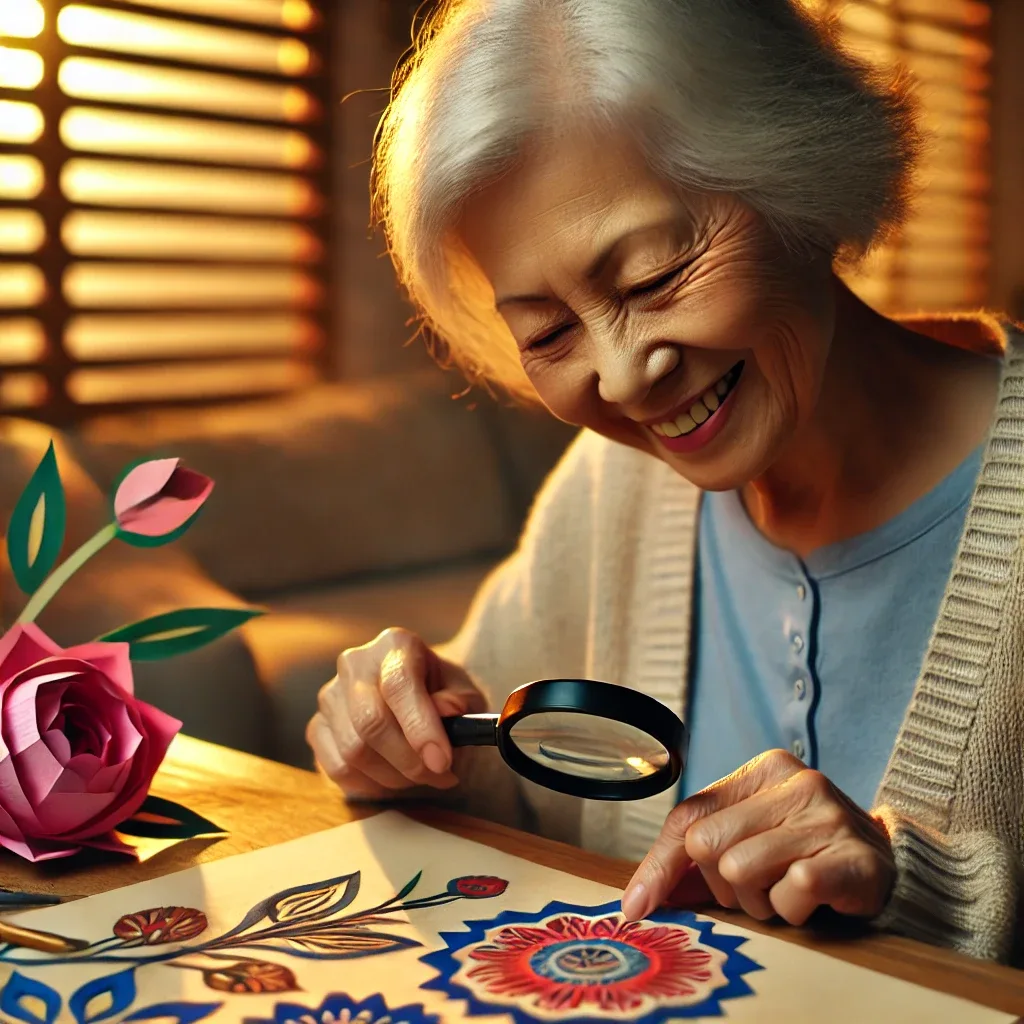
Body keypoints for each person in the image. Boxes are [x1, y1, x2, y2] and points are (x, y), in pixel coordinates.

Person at [306, 0, 1024, 963]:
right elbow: (509, 778)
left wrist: (921, 890)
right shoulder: (610, 487)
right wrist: (409, 743)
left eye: (652, 278)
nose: (623, 371)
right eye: (549, 333)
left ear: (799, 180)